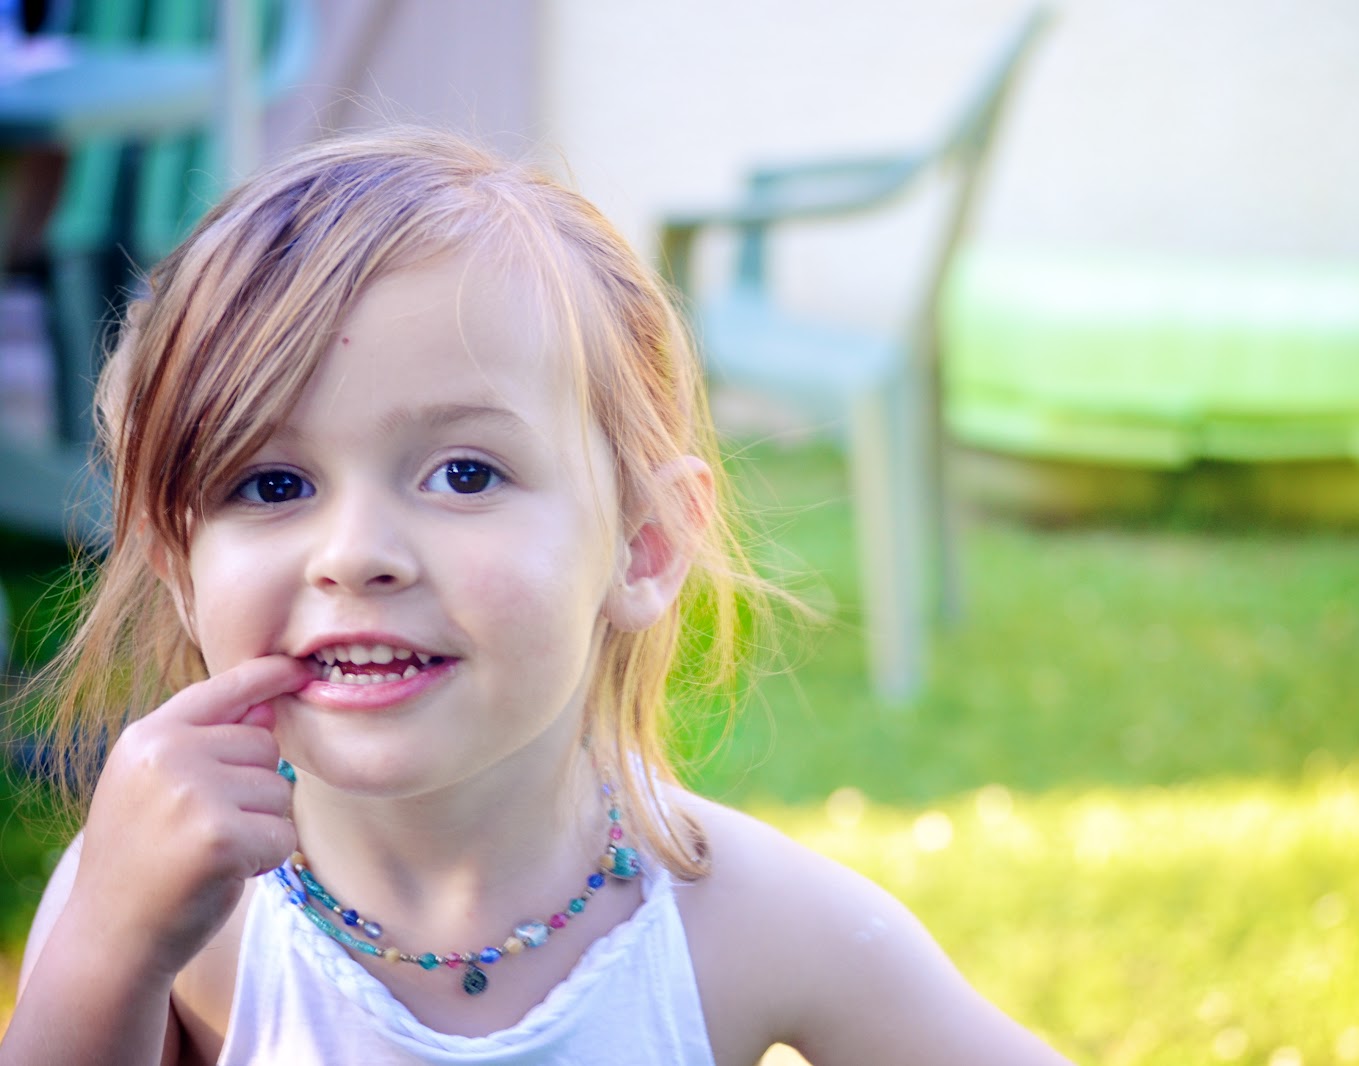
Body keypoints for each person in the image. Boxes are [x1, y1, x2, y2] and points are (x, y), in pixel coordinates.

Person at [4, 129, 1070, 1066]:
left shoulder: (754, 924)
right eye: (272, 485)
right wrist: (111, 947)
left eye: (464, 473)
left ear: (644, 545)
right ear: (180, 566)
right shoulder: (160, 908)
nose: (357, 555)